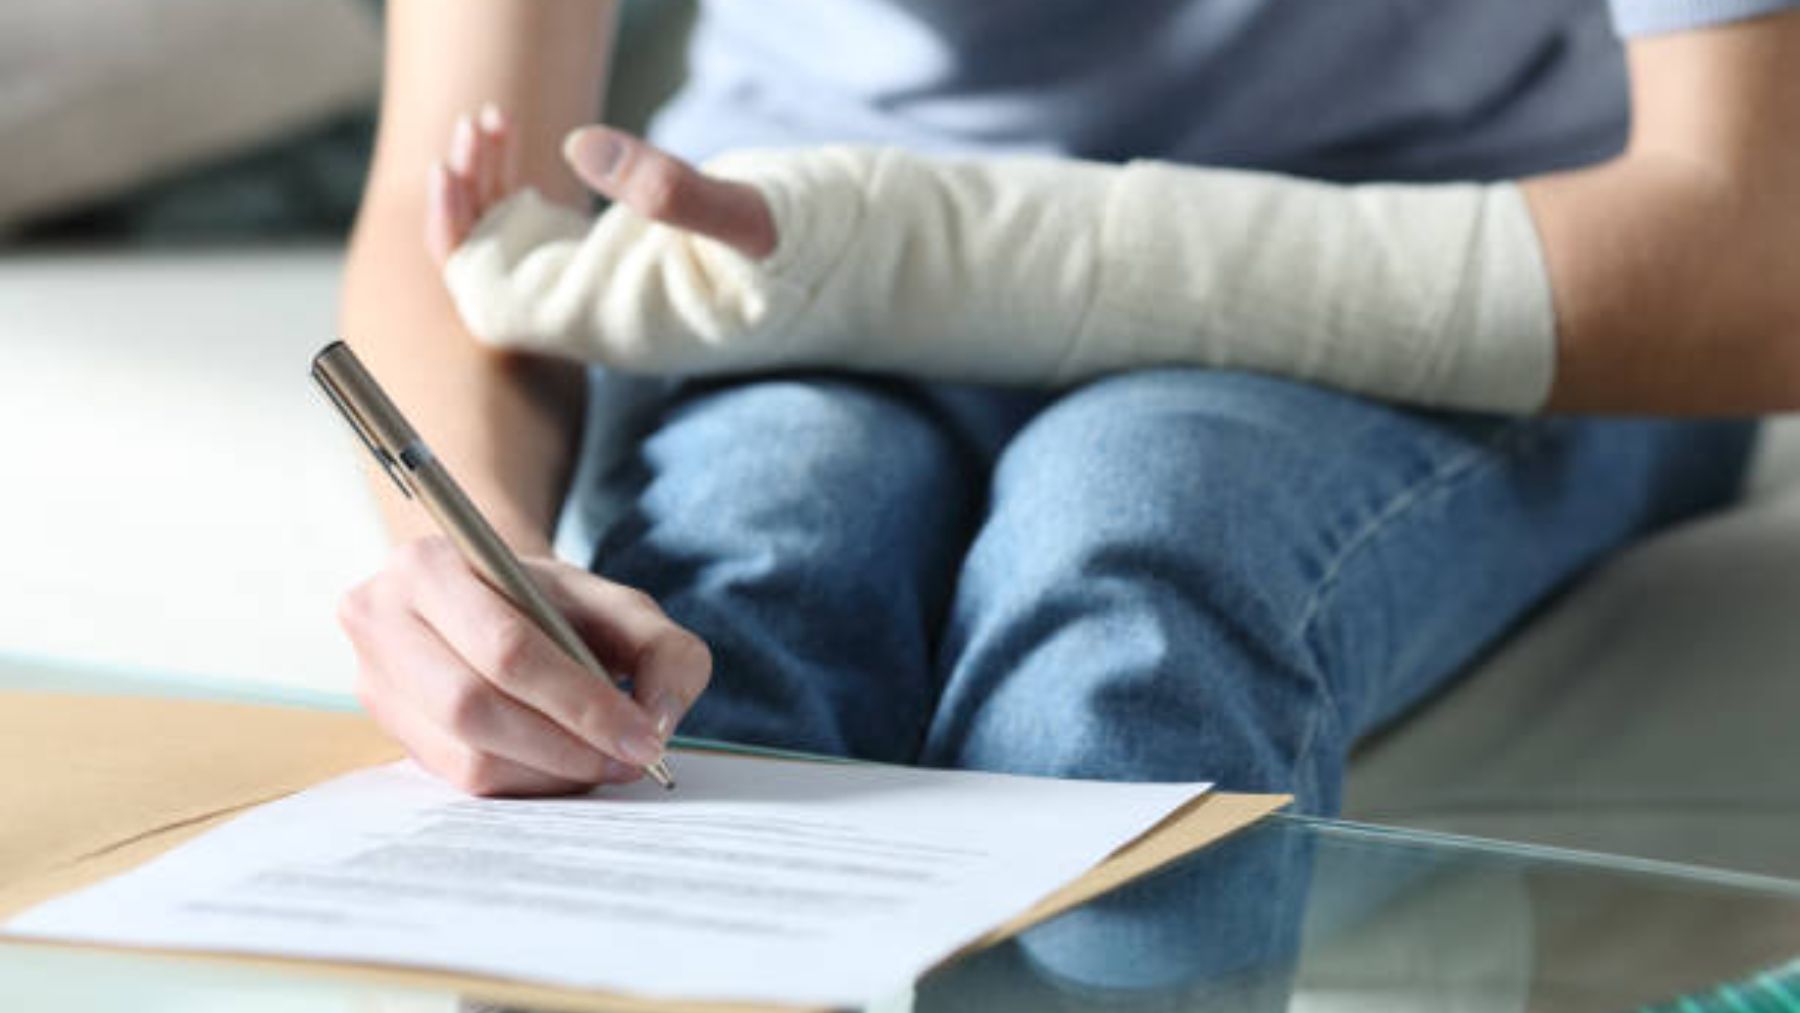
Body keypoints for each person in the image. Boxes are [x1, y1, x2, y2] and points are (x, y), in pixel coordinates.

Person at [339, 1, 1797, 812]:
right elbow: (462, 197)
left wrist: (944, 254)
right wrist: (483, 561)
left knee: (1139, 568)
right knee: (735, 598)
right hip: (781, 261)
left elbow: (1762, 250)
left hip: (1499, 258)